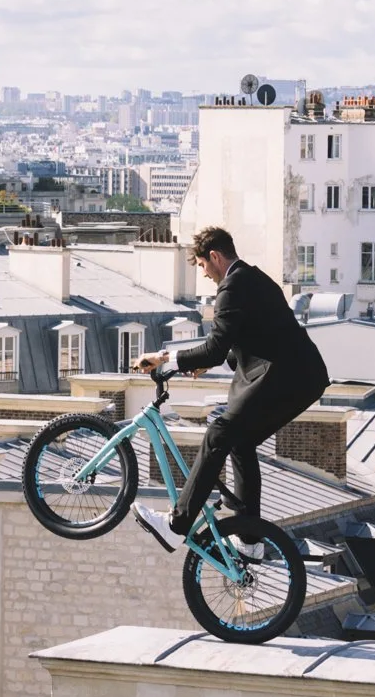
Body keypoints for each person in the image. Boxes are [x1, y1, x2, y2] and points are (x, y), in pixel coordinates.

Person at [132, 224, 330, 549]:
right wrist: (204, 360)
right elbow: (244, 336)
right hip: (300, 378)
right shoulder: (253, 278)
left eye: (202, 266)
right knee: (240, 442)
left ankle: (176, 524)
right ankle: (251, 542)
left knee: (219, 434)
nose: (205, 275)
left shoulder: (231, 288)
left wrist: (167, 360)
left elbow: (215, 345)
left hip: (282, 378)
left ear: (213, 256)